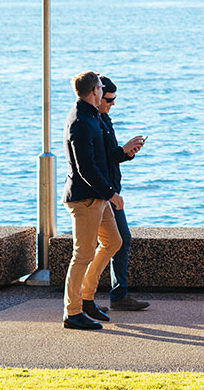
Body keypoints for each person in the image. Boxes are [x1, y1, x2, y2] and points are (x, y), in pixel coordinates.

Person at [61, 70, 122, 330]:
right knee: (82, 254)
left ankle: (86, 297)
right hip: (85, 199)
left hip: (97, 196)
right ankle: (72, 312)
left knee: (113, 242)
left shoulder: (92, 115)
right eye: (100, 87)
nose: (103, 91)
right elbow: (85, 167)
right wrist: (111, 193)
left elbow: (101, 156)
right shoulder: (80, 121)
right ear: (94, 91)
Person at [97, 76, 149, 311]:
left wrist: (127, 153)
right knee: (111, 242)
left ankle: (117, 294)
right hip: (102, 192)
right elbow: (94, 161)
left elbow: (109, 156)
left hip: (110, 190)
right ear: (97, 95)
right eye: (109, 100)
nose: (113, 104)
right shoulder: (89, 122)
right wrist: (122, 150)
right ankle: (88, 297)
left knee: (120, 240)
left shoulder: (104, 119)